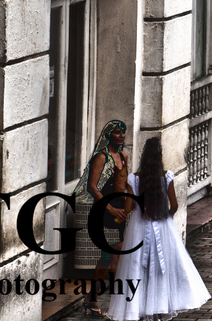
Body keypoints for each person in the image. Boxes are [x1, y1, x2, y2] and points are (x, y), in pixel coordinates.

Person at [106, 136, 210, 320]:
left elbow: (129, 208)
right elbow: (175, 205)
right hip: (162, 227)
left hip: (139, 227)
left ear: (144, 157)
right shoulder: (167, 176)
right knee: (162, 267)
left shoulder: (134, 179)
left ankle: (137, 307)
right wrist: (166, 216)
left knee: (137, 267)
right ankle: (160, 304)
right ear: (160, 156)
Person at [74, 120, 129, 309]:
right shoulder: (101, 157)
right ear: (107, 135)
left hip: (120, 211)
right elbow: (92, 187)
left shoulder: (123, 156)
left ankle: (94, 298)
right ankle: (100, 299)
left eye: (123, 132)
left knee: (112, 255)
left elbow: (123, 184)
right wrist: (110, 208)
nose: (121, 136)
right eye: (116, 133)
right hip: (105, 210)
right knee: (111, 256)